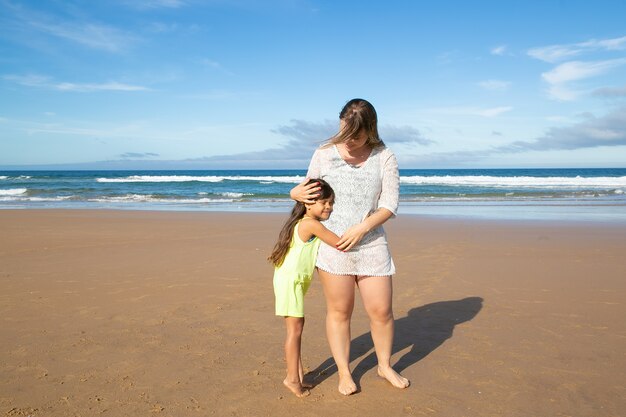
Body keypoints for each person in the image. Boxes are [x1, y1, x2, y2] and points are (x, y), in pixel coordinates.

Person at [290, 98, 410, 395]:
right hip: (333, 245)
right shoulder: (324, 154)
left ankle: (384, 365)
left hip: (371, 244)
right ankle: (345, 372)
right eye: (346, 133)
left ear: (371, 129)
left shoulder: (385, 156)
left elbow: (389, 204)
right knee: (340, 311)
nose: (350, 141)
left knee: (381, 311)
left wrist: (363, 227)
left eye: (357, 135)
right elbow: (308, 194)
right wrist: (293, 191)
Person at [269, 179, 341, 398]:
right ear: (309, 203)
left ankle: (298, 376)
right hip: (291, 281)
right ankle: (292, 379)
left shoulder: (302, 221)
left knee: (296, 328)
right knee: (295, 330)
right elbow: (338, 243)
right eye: (325, 202)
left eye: (331, 202)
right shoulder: (310, 223)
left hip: (290, 279)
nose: (329, 207)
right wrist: (363, 229)